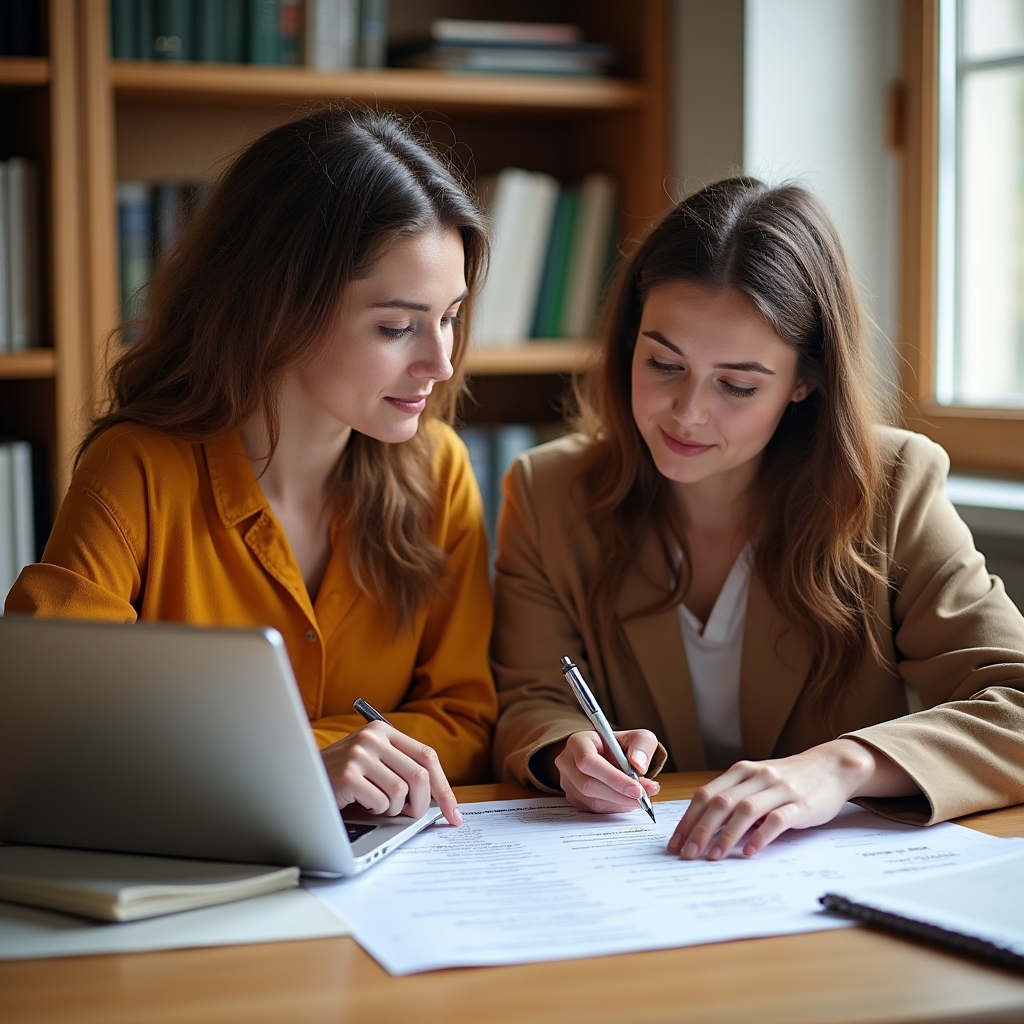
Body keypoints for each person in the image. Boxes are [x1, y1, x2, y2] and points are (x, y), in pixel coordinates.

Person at [491, 176, 1024, 860]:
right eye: (662, 363)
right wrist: (567, 750)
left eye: (737, 384)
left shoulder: (894, 487)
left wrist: (840, 766)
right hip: (642, 872)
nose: (687, 413)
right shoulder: (548, 490)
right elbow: (529, 695)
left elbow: (1014, 701)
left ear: (805, 380)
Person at [6, 107, 498, 828]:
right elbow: (38, 734)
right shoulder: (138, 470)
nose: (441, 362)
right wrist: (296, 763)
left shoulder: (440, 472)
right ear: (278, 306)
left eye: (451, 315)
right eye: (396, 327)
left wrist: (309, 755)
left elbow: (464, 718)